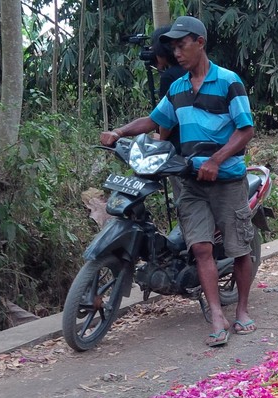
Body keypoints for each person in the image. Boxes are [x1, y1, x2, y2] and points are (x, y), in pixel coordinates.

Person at [99, 15, 256, 347]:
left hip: (227, 180)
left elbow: (246, 130)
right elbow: (155, 120)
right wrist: (118, 132)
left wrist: (216, 160)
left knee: (240, 248)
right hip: (188, 180)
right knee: (200, 248)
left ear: (200, 42)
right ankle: (216, 315)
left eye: (181, 45)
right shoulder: (178, 88)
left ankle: (241, 309)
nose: (176, 52)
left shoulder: (229, 82)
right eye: (172, 46)